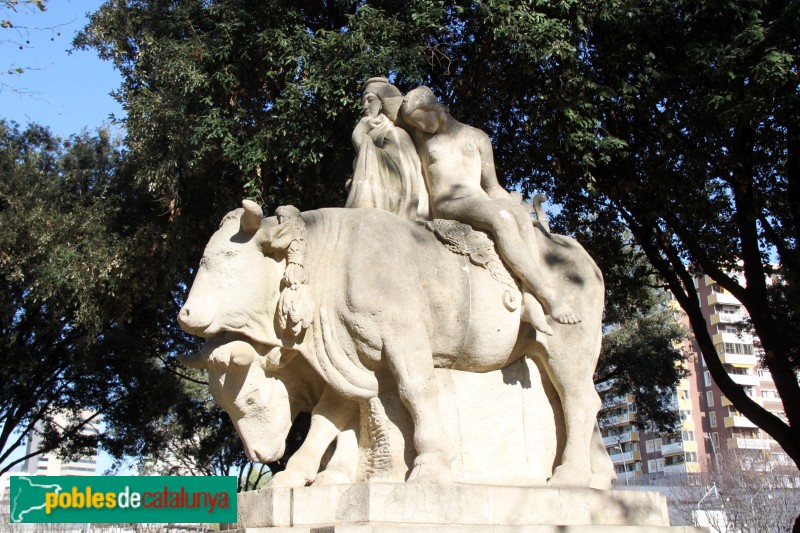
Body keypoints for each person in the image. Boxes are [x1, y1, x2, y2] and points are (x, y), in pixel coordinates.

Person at [399, 85, 579, 326]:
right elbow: (391, 109)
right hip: (449, 203)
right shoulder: (422, 139)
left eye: (422, 120)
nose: (420, 127)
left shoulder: (477, 137)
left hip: (480, 199)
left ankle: (529, 297)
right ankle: (548, 295)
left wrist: (516, 205)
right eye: (415, 124)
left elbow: (492, 187)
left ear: (436, 108)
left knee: (519, 217)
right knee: (500, 218)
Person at [346, 77, 430, 221]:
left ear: (382, 102)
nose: (365, 105)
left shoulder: (395, 133)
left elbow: (400, 178)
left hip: (397, 210)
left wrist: (358, 135)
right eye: (363, 102)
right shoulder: (374, 134)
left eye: (370, 100)